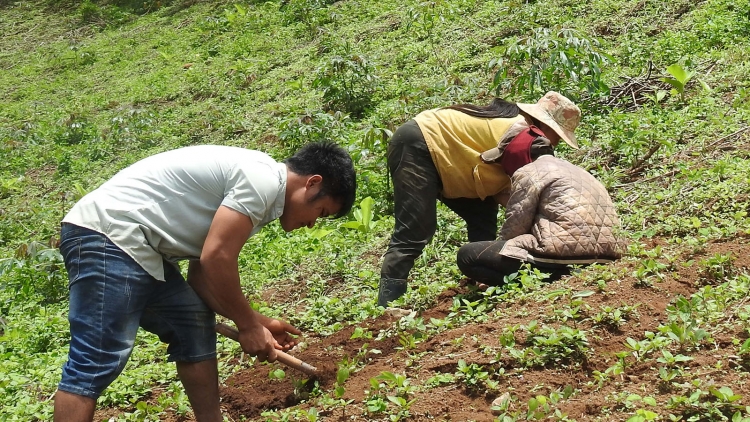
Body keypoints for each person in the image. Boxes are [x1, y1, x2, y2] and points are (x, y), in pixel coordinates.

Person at [54, 142, 356, 422]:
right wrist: (248, 326)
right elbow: (217, 257)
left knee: (193, 322)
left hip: (140, 249)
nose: (313, 222)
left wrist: (259, 321)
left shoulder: (259, 191)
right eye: (321, 211)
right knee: (94, 361)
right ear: (312, 183)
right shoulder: (262, 180)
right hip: (109, 236)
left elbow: (201, 277)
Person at [378, 91, 582, 306]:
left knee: (484, 220)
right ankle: (387, 305)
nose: (556, 143)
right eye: (558, 136)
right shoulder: (526, 137)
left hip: (454, 160)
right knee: (415, 230)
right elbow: (526, 197)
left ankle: (480, 283)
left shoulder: (515, 126)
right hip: (419, 145)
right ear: (546, 124)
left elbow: (507, 193)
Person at [456, 127, 623, 287]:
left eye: (503, 160)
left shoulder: (529, 171)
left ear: (517, 155)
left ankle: (540, 281)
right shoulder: (581, 172)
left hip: (564, 255)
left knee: (468, 255)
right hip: (609, 256)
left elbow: (515, 229)